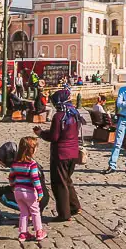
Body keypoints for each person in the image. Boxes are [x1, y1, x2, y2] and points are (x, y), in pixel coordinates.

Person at [39, 89, 82, 221]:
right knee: (67, 180)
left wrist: (41, 133)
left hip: (61, 154)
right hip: (73, 153)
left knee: (59, 183)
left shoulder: (59, 116)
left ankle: (64, 214)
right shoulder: (75, 114)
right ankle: (75, 206)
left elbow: (54, 136)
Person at [8, 136, 47, 241]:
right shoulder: (32, 164)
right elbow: (35, 179)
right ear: (32, 150)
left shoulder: (15, 163)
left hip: (18, 192)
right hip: (29, 192)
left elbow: (11, 176)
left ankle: (23, 233)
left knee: (24, 213)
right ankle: (39, 231)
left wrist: (13, 186)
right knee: (35, 211)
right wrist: (40, 192)